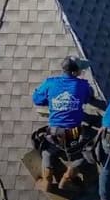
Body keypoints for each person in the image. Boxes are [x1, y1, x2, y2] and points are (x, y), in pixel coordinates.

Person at [32, 56, 94, 191]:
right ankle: (65, 180)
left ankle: (46, 182)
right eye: (80, 70)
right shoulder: (82, 85)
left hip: (54, 131)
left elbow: (37, 99)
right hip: (73, 132)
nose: (81, 72)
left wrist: (51, 100)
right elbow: (89, 96)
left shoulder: (50, 83)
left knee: (47, 153)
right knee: (79, 157)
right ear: (74, 72)